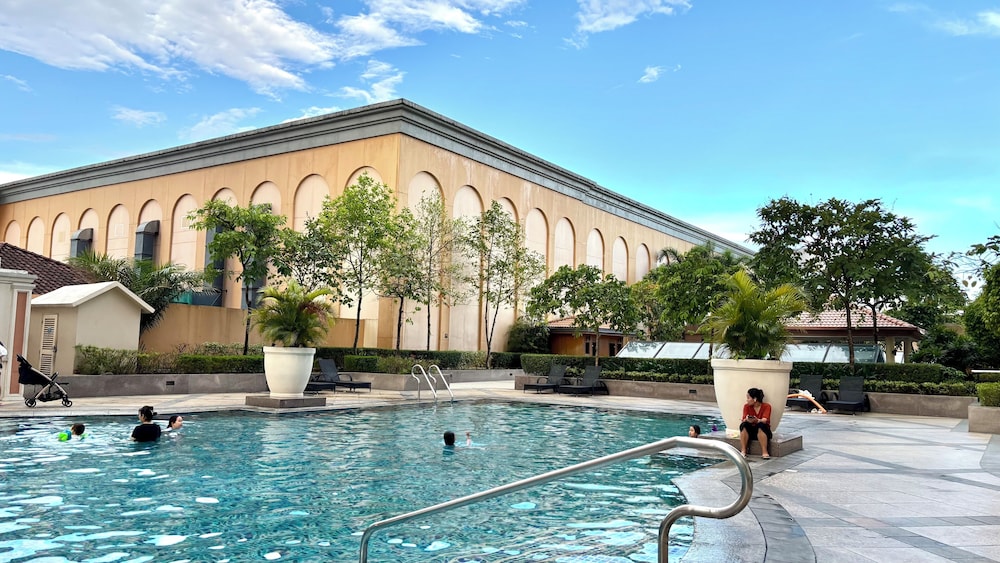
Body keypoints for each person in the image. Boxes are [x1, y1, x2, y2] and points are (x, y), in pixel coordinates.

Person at [739, 387, 772, 459]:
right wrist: (747, 419)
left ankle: (765, 452)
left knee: (761, 425)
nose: (747, 400)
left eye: (748, 398)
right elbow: (744, 418)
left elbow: (765, 420)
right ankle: (743, 450)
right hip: (751, 430)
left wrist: (757, 420)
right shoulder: (746, 406)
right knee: (744, 425)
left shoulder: (766, 406)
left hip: (763, 431)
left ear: (755, 399)